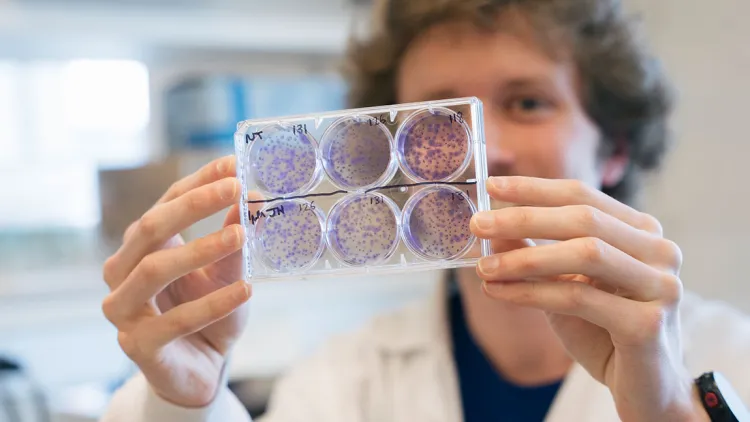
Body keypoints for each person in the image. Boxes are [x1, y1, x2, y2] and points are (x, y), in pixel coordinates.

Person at [99, 0, 750, 421]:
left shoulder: (731, 352)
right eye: (433, 122)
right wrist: (184, 406)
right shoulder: (342, 381)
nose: (481, 151)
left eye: (528, 102)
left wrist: (668, 411)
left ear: (614, 147)